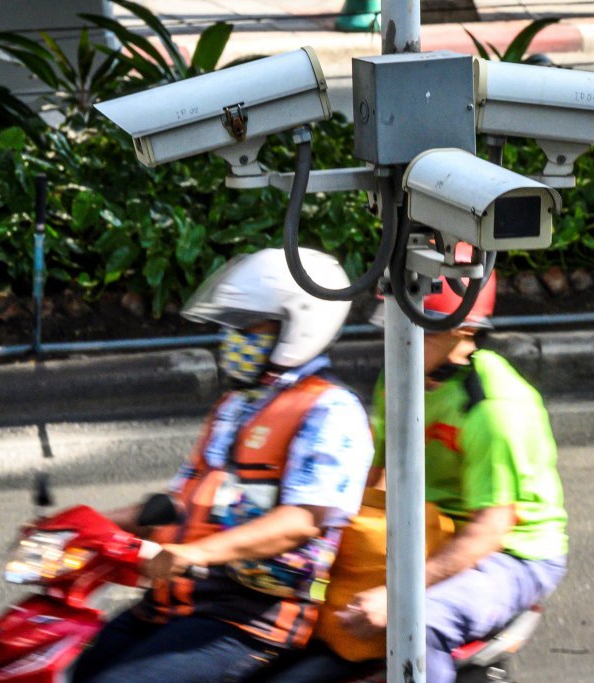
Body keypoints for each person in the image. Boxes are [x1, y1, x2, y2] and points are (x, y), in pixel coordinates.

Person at [261, 248, 568, 683]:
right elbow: (376, 479)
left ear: (463, 330)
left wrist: (396, 595)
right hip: (427, 527)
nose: (399, 339)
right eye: (396, 323)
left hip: (512, 552)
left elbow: (492, 528)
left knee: (417, 624)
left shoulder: (493, 409)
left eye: (418, 328)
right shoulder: (401, 374)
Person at [72, 247, 375, 683]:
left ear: (299, 325)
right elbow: (182, 500)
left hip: (247, 618)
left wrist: (195, 553)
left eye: (246, 325)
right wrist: (85, 526)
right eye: (230, 325)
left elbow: (303, 520)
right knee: (76, 665)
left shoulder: (330, 410)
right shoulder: (236, 404)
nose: (231, 338)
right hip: (177, 599)